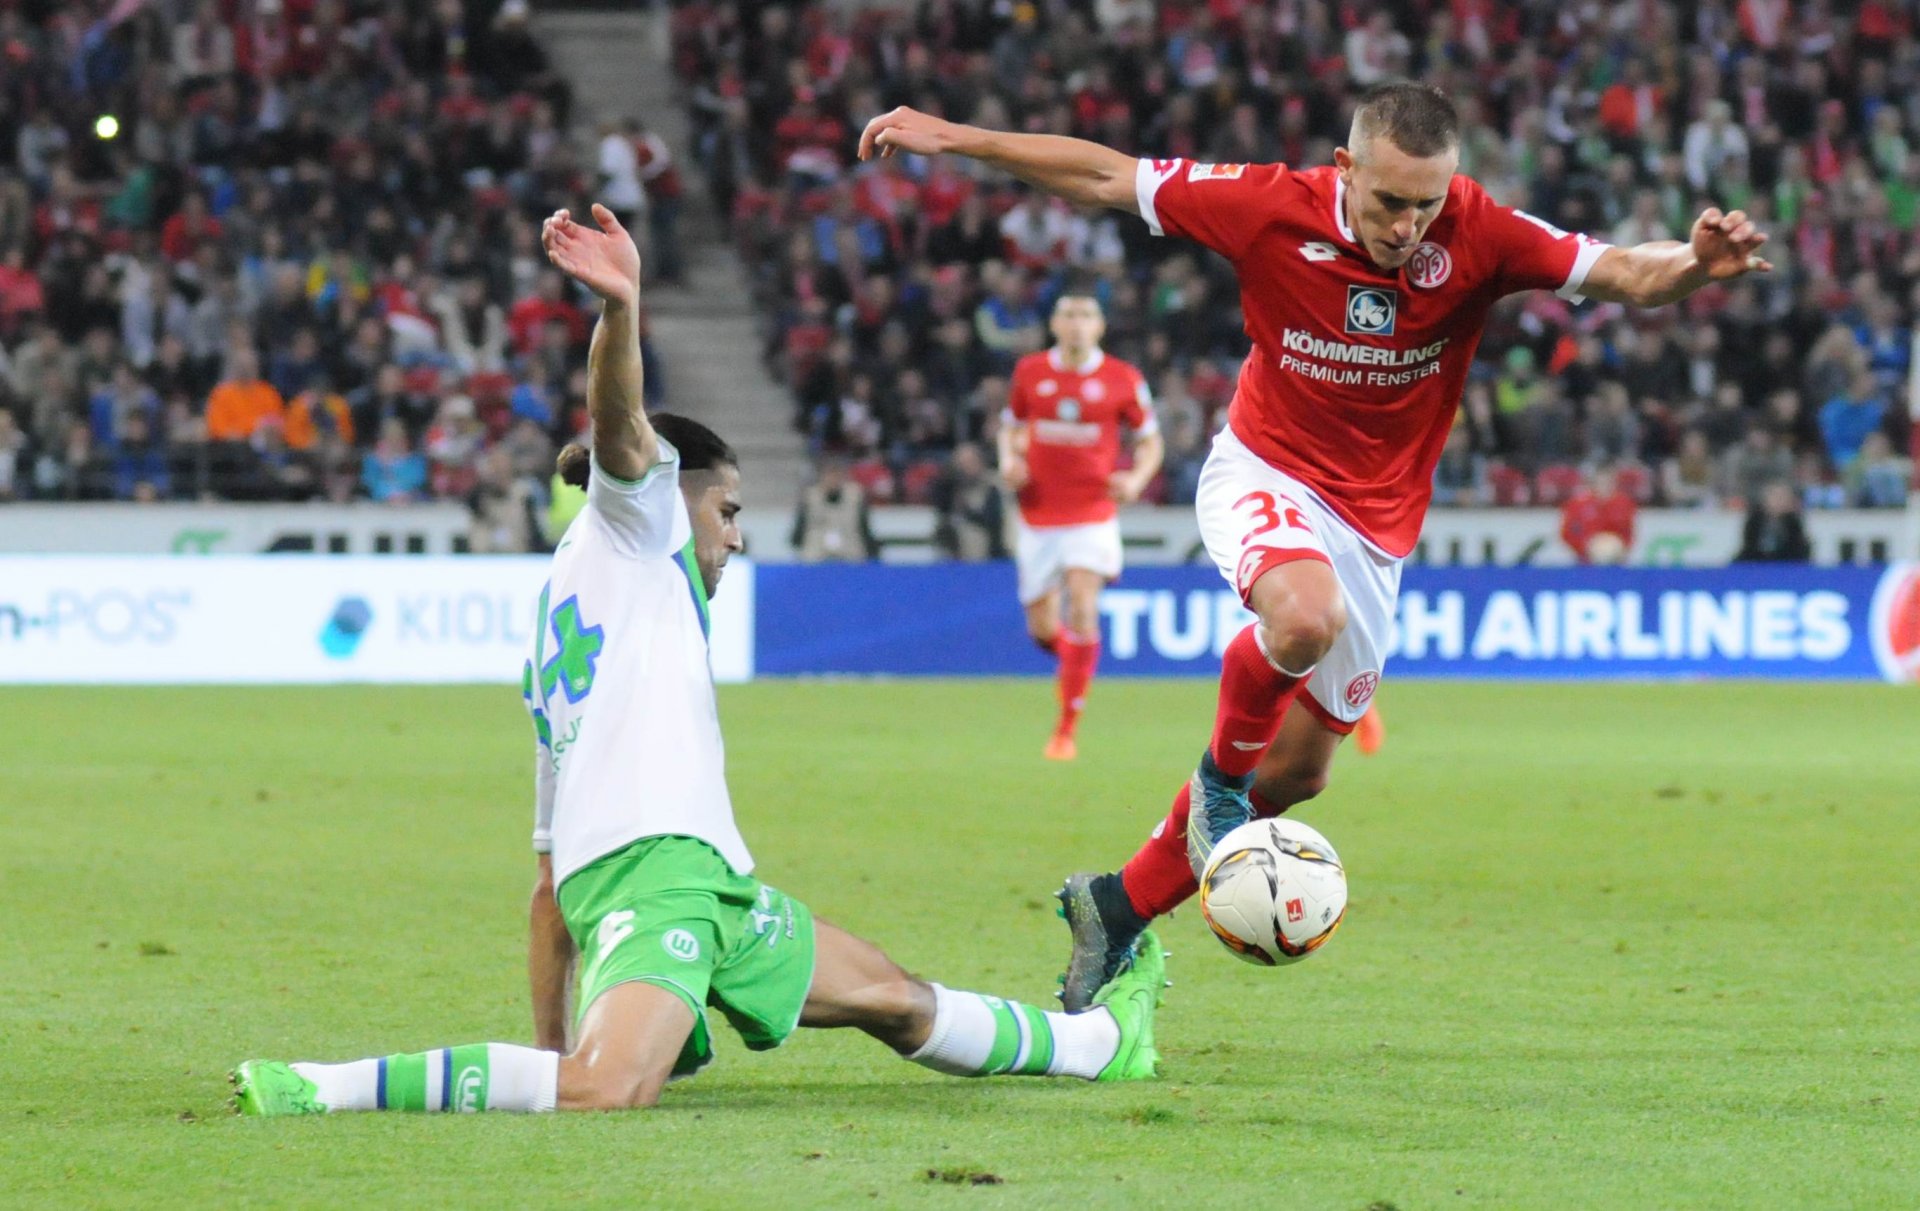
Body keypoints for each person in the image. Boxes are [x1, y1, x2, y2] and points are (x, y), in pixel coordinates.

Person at [231, 204, 1165, 1118]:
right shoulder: (636, 524)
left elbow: (549, 890)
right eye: (728, 513)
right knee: (608, 1086)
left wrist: (547, 1046)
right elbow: (621, 423)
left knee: (891, 995)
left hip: (703, 882)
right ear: (672, 495)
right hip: (656, 873)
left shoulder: (570, 618)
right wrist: (621, 308)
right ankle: (321, 1086)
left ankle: (1100, 1043)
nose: (736, 538)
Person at [859, 81, 1772, 1009]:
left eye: (1427, 204)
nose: (1409, 225)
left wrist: (1695, 265)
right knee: (1302, 618)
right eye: (1390, 201)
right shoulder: (1266, 205)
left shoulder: (1482, 230)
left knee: (1297, 773)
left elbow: (1628, 271)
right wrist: (955, 137)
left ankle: (1116, 905)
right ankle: (1219, 784)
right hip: (1267, 471)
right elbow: (1106, 176)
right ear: (1345, 169)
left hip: (1379, 527)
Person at [999, 292, 1162, 761]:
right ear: (1054, 324)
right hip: (1038, 515)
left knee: (1083, 605)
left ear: (1100, 326)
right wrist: (1009, 461)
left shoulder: (1123, 378)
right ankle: (1075, 668)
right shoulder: (1030, 372)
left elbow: (1151, 442)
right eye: (1068, 314)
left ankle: (1065, 730)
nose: (1076, 323)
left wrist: (1136, 479)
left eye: (1086, 315)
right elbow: (1010, 427)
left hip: (1092, 512)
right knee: (1042, 630)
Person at [1559, 464, 1637, 564]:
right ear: (1593, 484)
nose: (1605, 486)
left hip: (1617, 559)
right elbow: (1568, 533)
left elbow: (1629, 532)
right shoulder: (1577, 504)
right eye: (1601, 482)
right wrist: (1584, 548)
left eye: (1608, 482)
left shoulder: (1624, 503)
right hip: (1586, 560)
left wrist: (1621, 548)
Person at [1734, 481, 1813, 563]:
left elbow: (1799, 548)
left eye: (1782, 497)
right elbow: (1749, 547)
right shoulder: (1754, 521)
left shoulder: (1794, 523)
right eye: (1775, 497)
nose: (1778, 501)